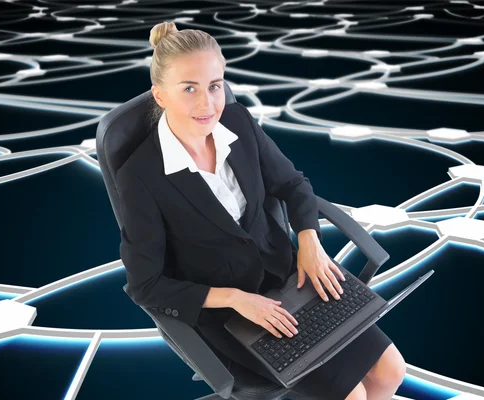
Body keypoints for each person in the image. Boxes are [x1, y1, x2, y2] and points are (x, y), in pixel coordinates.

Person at [116, 20, 406, 400]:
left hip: (290, 276)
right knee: (351, 396)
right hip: (231, 313)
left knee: (391, 371)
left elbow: (293, 184)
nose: (207, 104)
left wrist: (309, 240)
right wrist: (235, 298)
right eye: (189, 89)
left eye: (215, 86)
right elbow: (146, 285)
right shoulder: (140, 176)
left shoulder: (237, 121)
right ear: (160, 95)